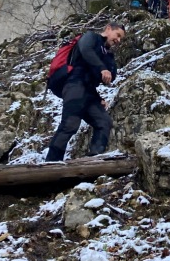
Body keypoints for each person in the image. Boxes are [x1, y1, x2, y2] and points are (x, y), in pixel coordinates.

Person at [45, 21, 124, 161]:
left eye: (120, 39)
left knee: (104, 122)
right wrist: (102, 68)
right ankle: (51, 164)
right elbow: (85, 49)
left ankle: (93, 159)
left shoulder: (106, 53)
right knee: (70, 124)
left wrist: (98, 97)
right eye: (117, 35)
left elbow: (105, 76)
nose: (118, 40)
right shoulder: (91, 37)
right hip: (74, 85)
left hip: (88, 91)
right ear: (108, 28)